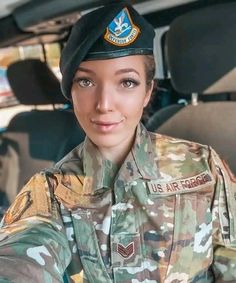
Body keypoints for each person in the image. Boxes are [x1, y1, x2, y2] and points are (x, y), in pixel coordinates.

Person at [0, 3, 236, 283]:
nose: (104, 104)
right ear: (71, 92)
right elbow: (21, 258)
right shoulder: (49, 191)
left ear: (148, 91)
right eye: (86, 82)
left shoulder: (204, 168)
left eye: (126, 82)